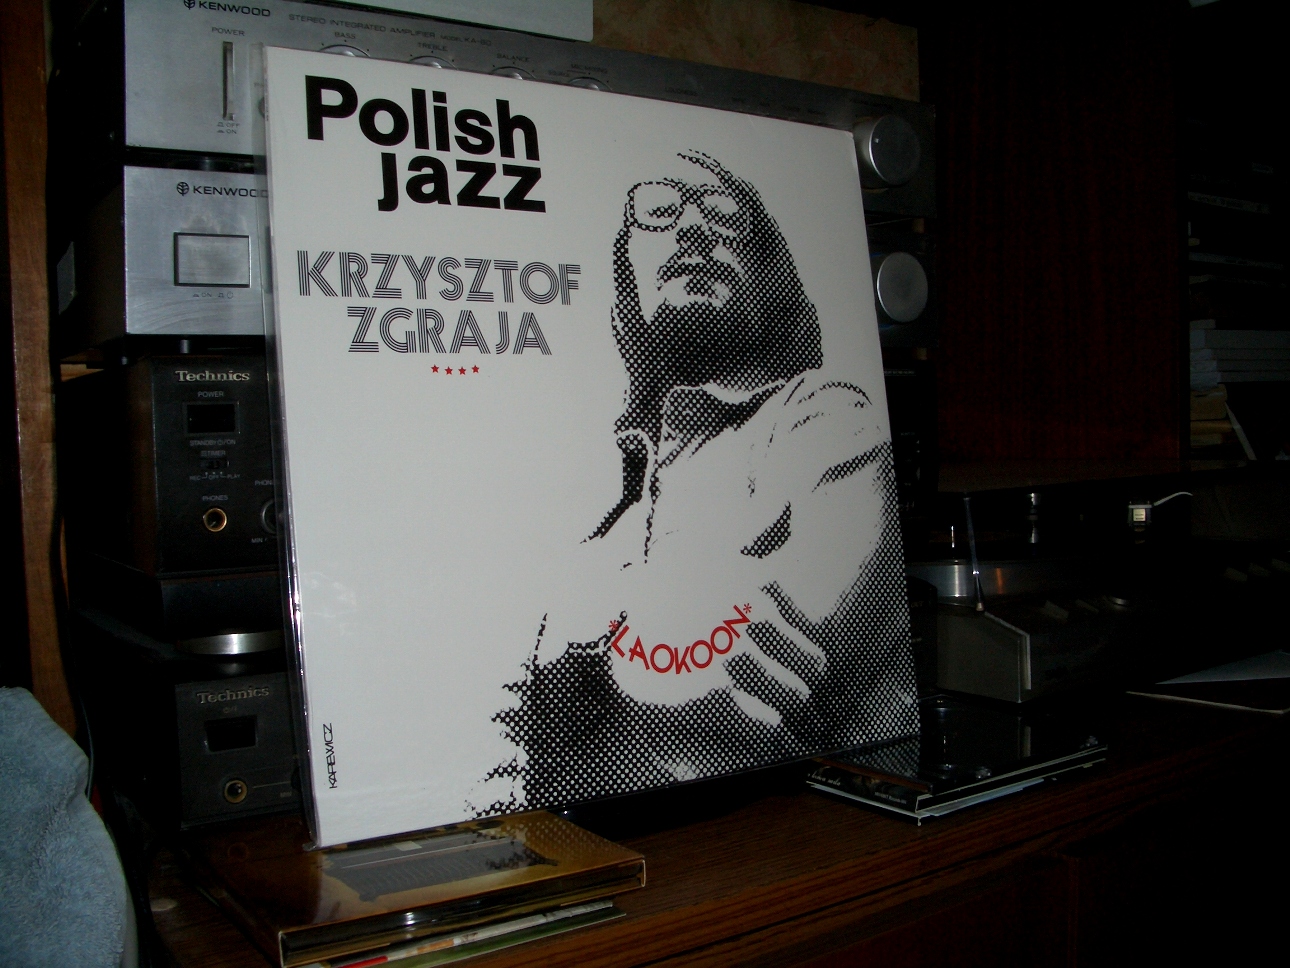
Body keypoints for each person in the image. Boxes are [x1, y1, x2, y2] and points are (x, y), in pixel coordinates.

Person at [476, 151, 916, 816]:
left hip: (792, 829)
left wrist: (588, 667)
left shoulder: (827, 420)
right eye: (658, 211)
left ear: (768, 277)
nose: (692, 227)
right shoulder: (612, 529)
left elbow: (773, 675)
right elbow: (512, 748)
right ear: (628, 277)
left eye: (723, 214)